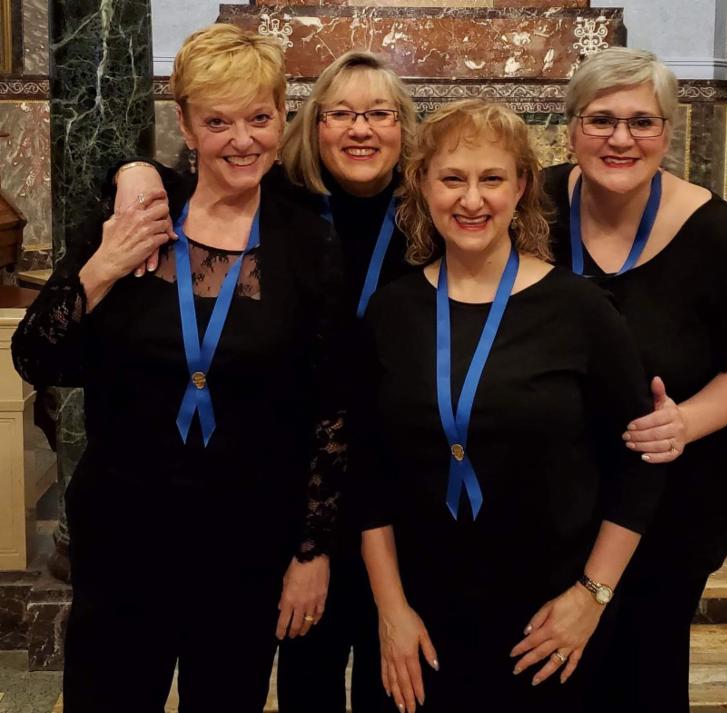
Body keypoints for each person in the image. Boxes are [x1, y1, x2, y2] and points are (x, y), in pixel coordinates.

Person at [12, 24, 345, 713]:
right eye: (218, 122)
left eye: (259, 118)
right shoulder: (135, 217)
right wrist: (104, 266)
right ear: (187, 125)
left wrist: (311, 550)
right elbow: (37, 356)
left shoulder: (309, 244)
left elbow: (331, 407)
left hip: (246, 538)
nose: (242, 140)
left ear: (282, 117)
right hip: (125, 532)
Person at [109, 50, 418, 713]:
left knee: (395, 676)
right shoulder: (273, 202)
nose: (360, 128)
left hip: (400, 477)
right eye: (340, 113)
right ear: (308, 124)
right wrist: (131, 170)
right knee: (307, 666)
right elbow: (179, 174)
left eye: (380, 113)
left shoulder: (432, 218)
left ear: (404, 126)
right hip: (299, 481)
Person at [353, 98, 665, 713]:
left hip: (550, 621)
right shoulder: (390, 312)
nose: (472, 200)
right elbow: (366, 473)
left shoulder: (581, 311)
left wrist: (592, 595)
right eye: (452, 179)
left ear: (521, 187)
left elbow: (640, 466)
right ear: (422, 185)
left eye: (492, 179)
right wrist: (390, 610)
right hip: (417, 620)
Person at [544, 47, 727, 713]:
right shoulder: (529, 208)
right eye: (601, 120)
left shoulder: (724, 237)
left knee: (643, 672)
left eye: (642, 122)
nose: (620, 139)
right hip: (551, 494)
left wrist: (684, 421)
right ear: (571, 128)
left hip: (671, 500)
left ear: (668, 132)